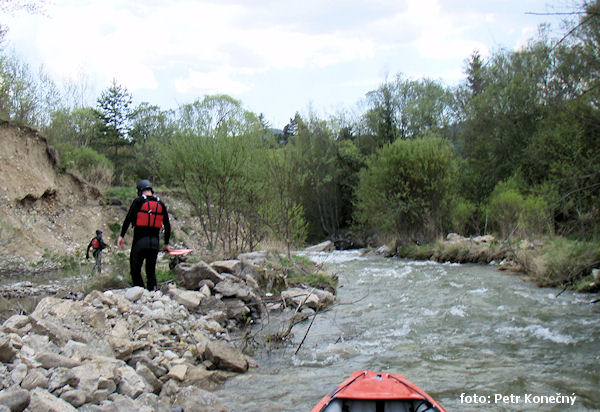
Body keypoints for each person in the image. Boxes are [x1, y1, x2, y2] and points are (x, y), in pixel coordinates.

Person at [117, 179, 171, 291]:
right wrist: (166, 244)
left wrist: (121, 236)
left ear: (139, 191)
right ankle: (152, 293)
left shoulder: (138, 201)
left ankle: (140, 291)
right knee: (151, 271)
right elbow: (167, 225)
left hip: (140, 242)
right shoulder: (160, 203)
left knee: (135, 269)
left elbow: (128, 219)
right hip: (155, 243)